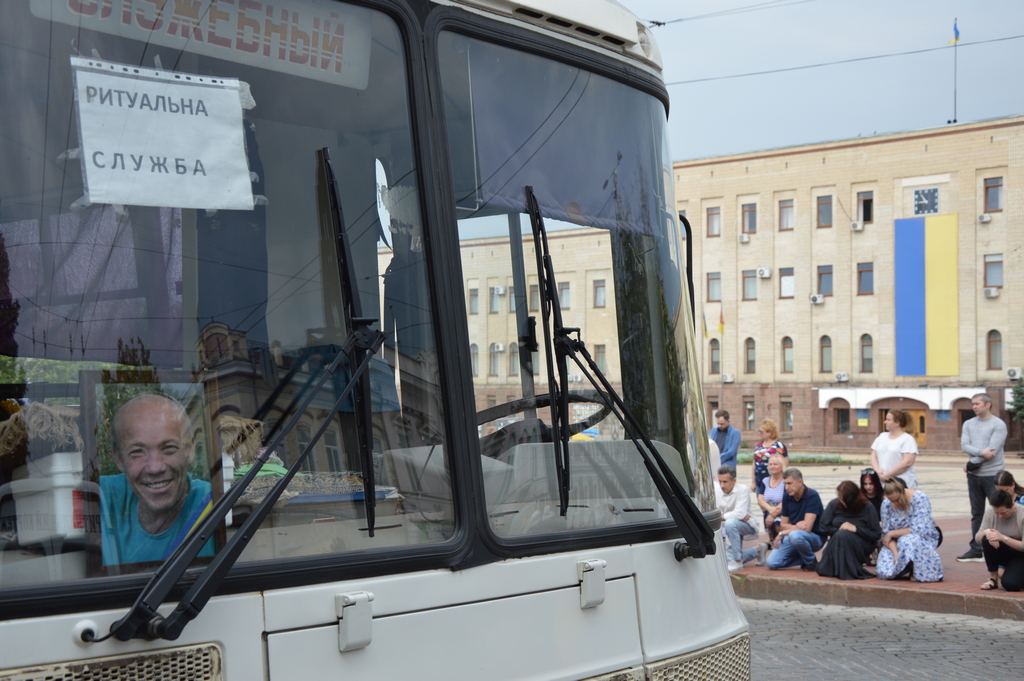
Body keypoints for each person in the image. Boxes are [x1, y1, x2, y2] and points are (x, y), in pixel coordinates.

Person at [100, 393, 214, 566]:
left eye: (168, 448)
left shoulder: (216, 504)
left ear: (189, 450)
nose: (155, 467)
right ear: (118, 459)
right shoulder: (101, 495)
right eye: (137, 451)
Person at [958, 393, 1007, 562]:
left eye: (977, 404)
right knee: (976, 513)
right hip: (974, 476)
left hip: (993, 475)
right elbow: (965, 446)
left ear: (988, 405)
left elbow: (992, 452)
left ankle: (1000, 547)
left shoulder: (998, 424)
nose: (974, 407)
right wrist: (979, 453)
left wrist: (971, 463)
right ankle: (976, 548)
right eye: (972, 404)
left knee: (999, 511)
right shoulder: (968, 424)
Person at [876, 477, 943, 582]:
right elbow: (886, 536)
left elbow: (919, 529)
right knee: (883, 571)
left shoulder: (919, 497)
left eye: (897, 499)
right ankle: (904, 566)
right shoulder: (886, 504)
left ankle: (918, 567)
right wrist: (896, 554)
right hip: (896, 542)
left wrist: (892, 533)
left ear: (902, 492)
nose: (895, 503)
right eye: (891, 500)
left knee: (907, 540)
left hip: (922, 537)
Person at [816, 481, 881, 580]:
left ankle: (844, 569)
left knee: (843, 535)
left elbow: (876, 534)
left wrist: (855, 529)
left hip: (862, 543)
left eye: (844, 500)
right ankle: (843, 568)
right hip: (838, 542)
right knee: (842, 535)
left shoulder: (867, 506)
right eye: (840, 498)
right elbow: (823, 527)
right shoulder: (833, 504)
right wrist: (841, 531)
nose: (842, 501)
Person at [766, 468, 824, 571]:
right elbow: (783, 525)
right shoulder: (786, 496)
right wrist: (797, 526)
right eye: (785, 484)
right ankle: (804, 558)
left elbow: (807, 528)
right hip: (794, 536)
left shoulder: (812, 495)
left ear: (800, 482)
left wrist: (782, 533)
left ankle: (811, 562)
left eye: (789, 483)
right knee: (771, 563)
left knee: (795, 535)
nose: (787, 487)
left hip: (815, 538)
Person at [976, 489, 1024, 592]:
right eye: (997, 513)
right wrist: (986, 532)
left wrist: (1002, 537)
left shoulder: (1022, 513)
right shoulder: (990, 511)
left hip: (1020, 554)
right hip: (1004, 553)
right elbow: (978, 539)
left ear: (1012, 505)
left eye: (1003, 512)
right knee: (987, 538)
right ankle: (993, 578)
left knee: (1011, 584)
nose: (1000, 516)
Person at [716, 465, 762, 572]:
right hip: (728, 527)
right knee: (724, 561)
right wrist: (734, 516)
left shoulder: (743, 489)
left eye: (725, 482)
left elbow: (740, 513)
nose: (722, 485)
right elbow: (736, 515)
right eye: (720, 481)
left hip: (748, 525)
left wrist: (723, 517)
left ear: (734, 480)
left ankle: (737, 560)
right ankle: (758, 551)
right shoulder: (717, 492)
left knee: (730, 523)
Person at [870, 409, 919, 489]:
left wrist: (888, 475)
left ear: (897, 423)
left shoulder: (907, 439)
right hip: (881, 481)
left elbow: (908, 462)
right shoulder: (882, 436)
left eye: (888, 420)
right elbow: (873, 456)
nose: (885, 422)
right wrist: (878, 472)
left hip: (900, 483)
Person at [751, 418, 787, 495]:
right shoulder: (759, 445)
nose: (759, 433)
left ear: (769, 432)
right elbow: (754, 464)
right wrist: (753, 482)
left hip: (773, 483)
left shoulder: (779, 446)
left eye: (761, 431)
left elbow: (784, 465)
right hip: (759, 482)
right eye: (759, 431)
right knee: (761, 501)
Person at [756, 454, 786, 542]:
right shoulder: (765, 481)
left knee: (777, 525)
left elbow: (786, 500)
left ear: (782, 466)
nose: (772, 467)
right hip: (768, 512)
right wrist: (770, 510)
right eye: (770, 464)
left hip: (783, 513)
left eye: (775, 464)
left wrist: (773, 514)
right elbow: (760, 499)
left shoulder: (786, 481)